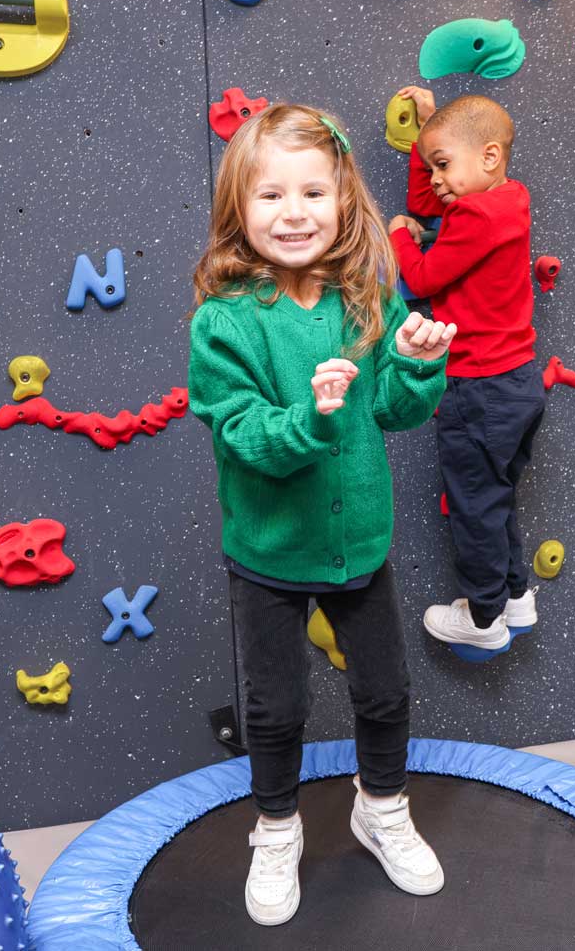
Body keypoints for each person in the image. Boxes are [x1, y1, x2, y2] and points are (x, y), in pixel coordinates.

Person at [187, 103, 456, 927]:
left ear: (343, 199)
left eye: (312, 192)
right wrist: (310, 416)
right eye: (271, 196)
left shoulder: (365, 295)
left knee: (385, 691)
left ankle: (381, 810)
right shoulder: (223, 322)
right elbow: (240, 436)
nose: (294, 212)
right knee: (275, 708)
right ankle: (276, 831)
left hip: (358, 543)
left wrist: (413, 368)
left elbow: (395, 414)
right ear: (239, 209)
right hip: (269, 548)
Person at [388, 87, 546, 652]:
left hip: (478, 387)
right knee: (495, 495)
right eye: (433, 167)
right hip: (519, 382)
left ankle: (483, 619)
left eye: (443, 165)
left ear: (489, 157)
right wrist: (427, 136)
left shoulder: (475, 214)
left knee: (474, 505)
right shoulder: (510, 197)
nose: (435, 181)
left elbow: (425, 279)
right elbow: (436, 202)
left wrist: (399, 240)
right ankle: (514, 597)